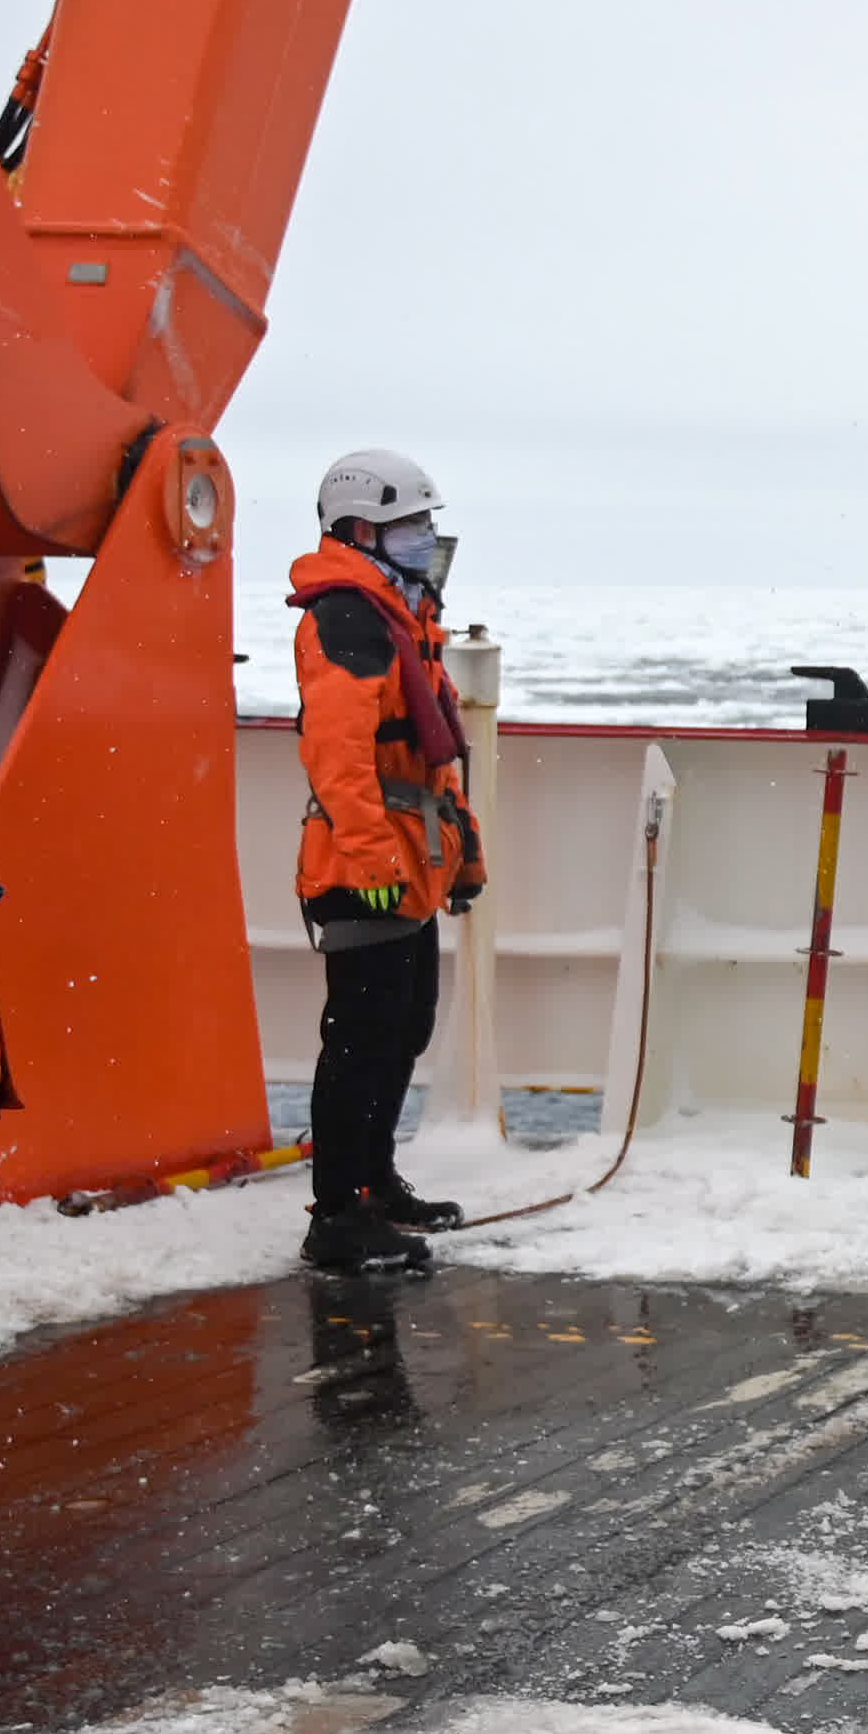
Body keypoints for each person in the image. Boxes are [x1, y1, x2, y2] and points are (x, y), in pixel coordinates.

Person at [293, 450, 482, 1276]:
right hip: (365, 866)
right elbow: (338, 757)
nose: (427, 538)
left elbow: (433, 768)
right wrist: (371, 860)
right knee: (360, 1040)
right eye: (414, 524)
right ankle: (337, 1216)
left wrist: (462, 859)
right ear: (364, 528)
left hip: (409, 864)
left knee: (402, 1029)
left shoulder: (399, 617)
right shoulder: (347, 619)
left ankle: (374, 1185)